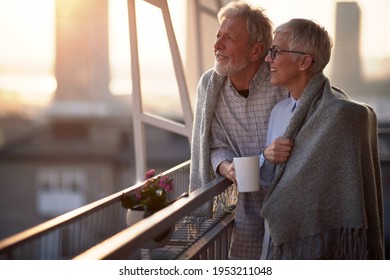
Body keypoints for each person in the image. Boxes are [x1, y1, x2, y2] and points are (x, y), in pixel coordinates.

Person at [260, 18, 384, 259]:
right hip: (277, 244)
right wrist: (267, 156)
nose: (268, 59)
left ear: (304, 61)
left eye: (275, 51)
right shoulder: (278, 112)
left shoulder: (343, 115)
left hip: (323, 249)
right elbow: (270, 183)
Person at [189, 1, 288, 259]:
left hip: (289, 203)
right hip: (245, 208)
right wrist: (226, 167)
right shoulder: (210, 87)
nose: (217, 45)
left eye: (229, 38)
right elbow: (211, 144)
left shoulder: (283, 80)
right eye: (218, 35)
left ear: (256, 51)